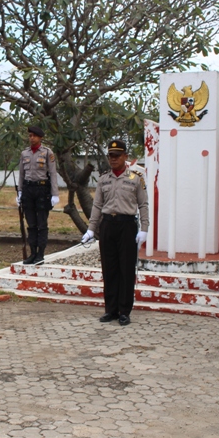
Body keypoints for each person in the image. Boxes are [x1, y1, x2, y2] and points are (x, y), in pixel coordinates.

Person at [81, 139, 149, 326]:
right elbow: (97, 205)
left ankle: (124, 311)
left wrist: (144, 229)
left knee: (126, 269)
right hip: (108, 226)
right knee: (109, 269)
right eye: (111, 155)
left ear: (125, 157)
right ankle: (111, 309)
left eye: (117, 155)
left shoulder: (135, 179)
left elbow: (143, 204)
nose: (113, 159)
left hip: (127, 225)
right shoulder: (104, 179)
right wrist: (91, 229)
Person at [17, 125, 60, 264]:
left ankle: (41, 253)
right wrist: (20, 192)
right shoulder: (24, 154)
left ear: (40, 137)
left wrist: (55, 194)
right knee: (31, 224)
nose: (31, 138)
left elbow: (53, 173)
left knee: (42, 223)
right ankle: (32, 253)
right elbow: (21, 175)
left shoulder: (48, 153)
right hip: (28, 190)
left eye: (34, 136)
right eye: (30, 136)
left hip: (42, 189)